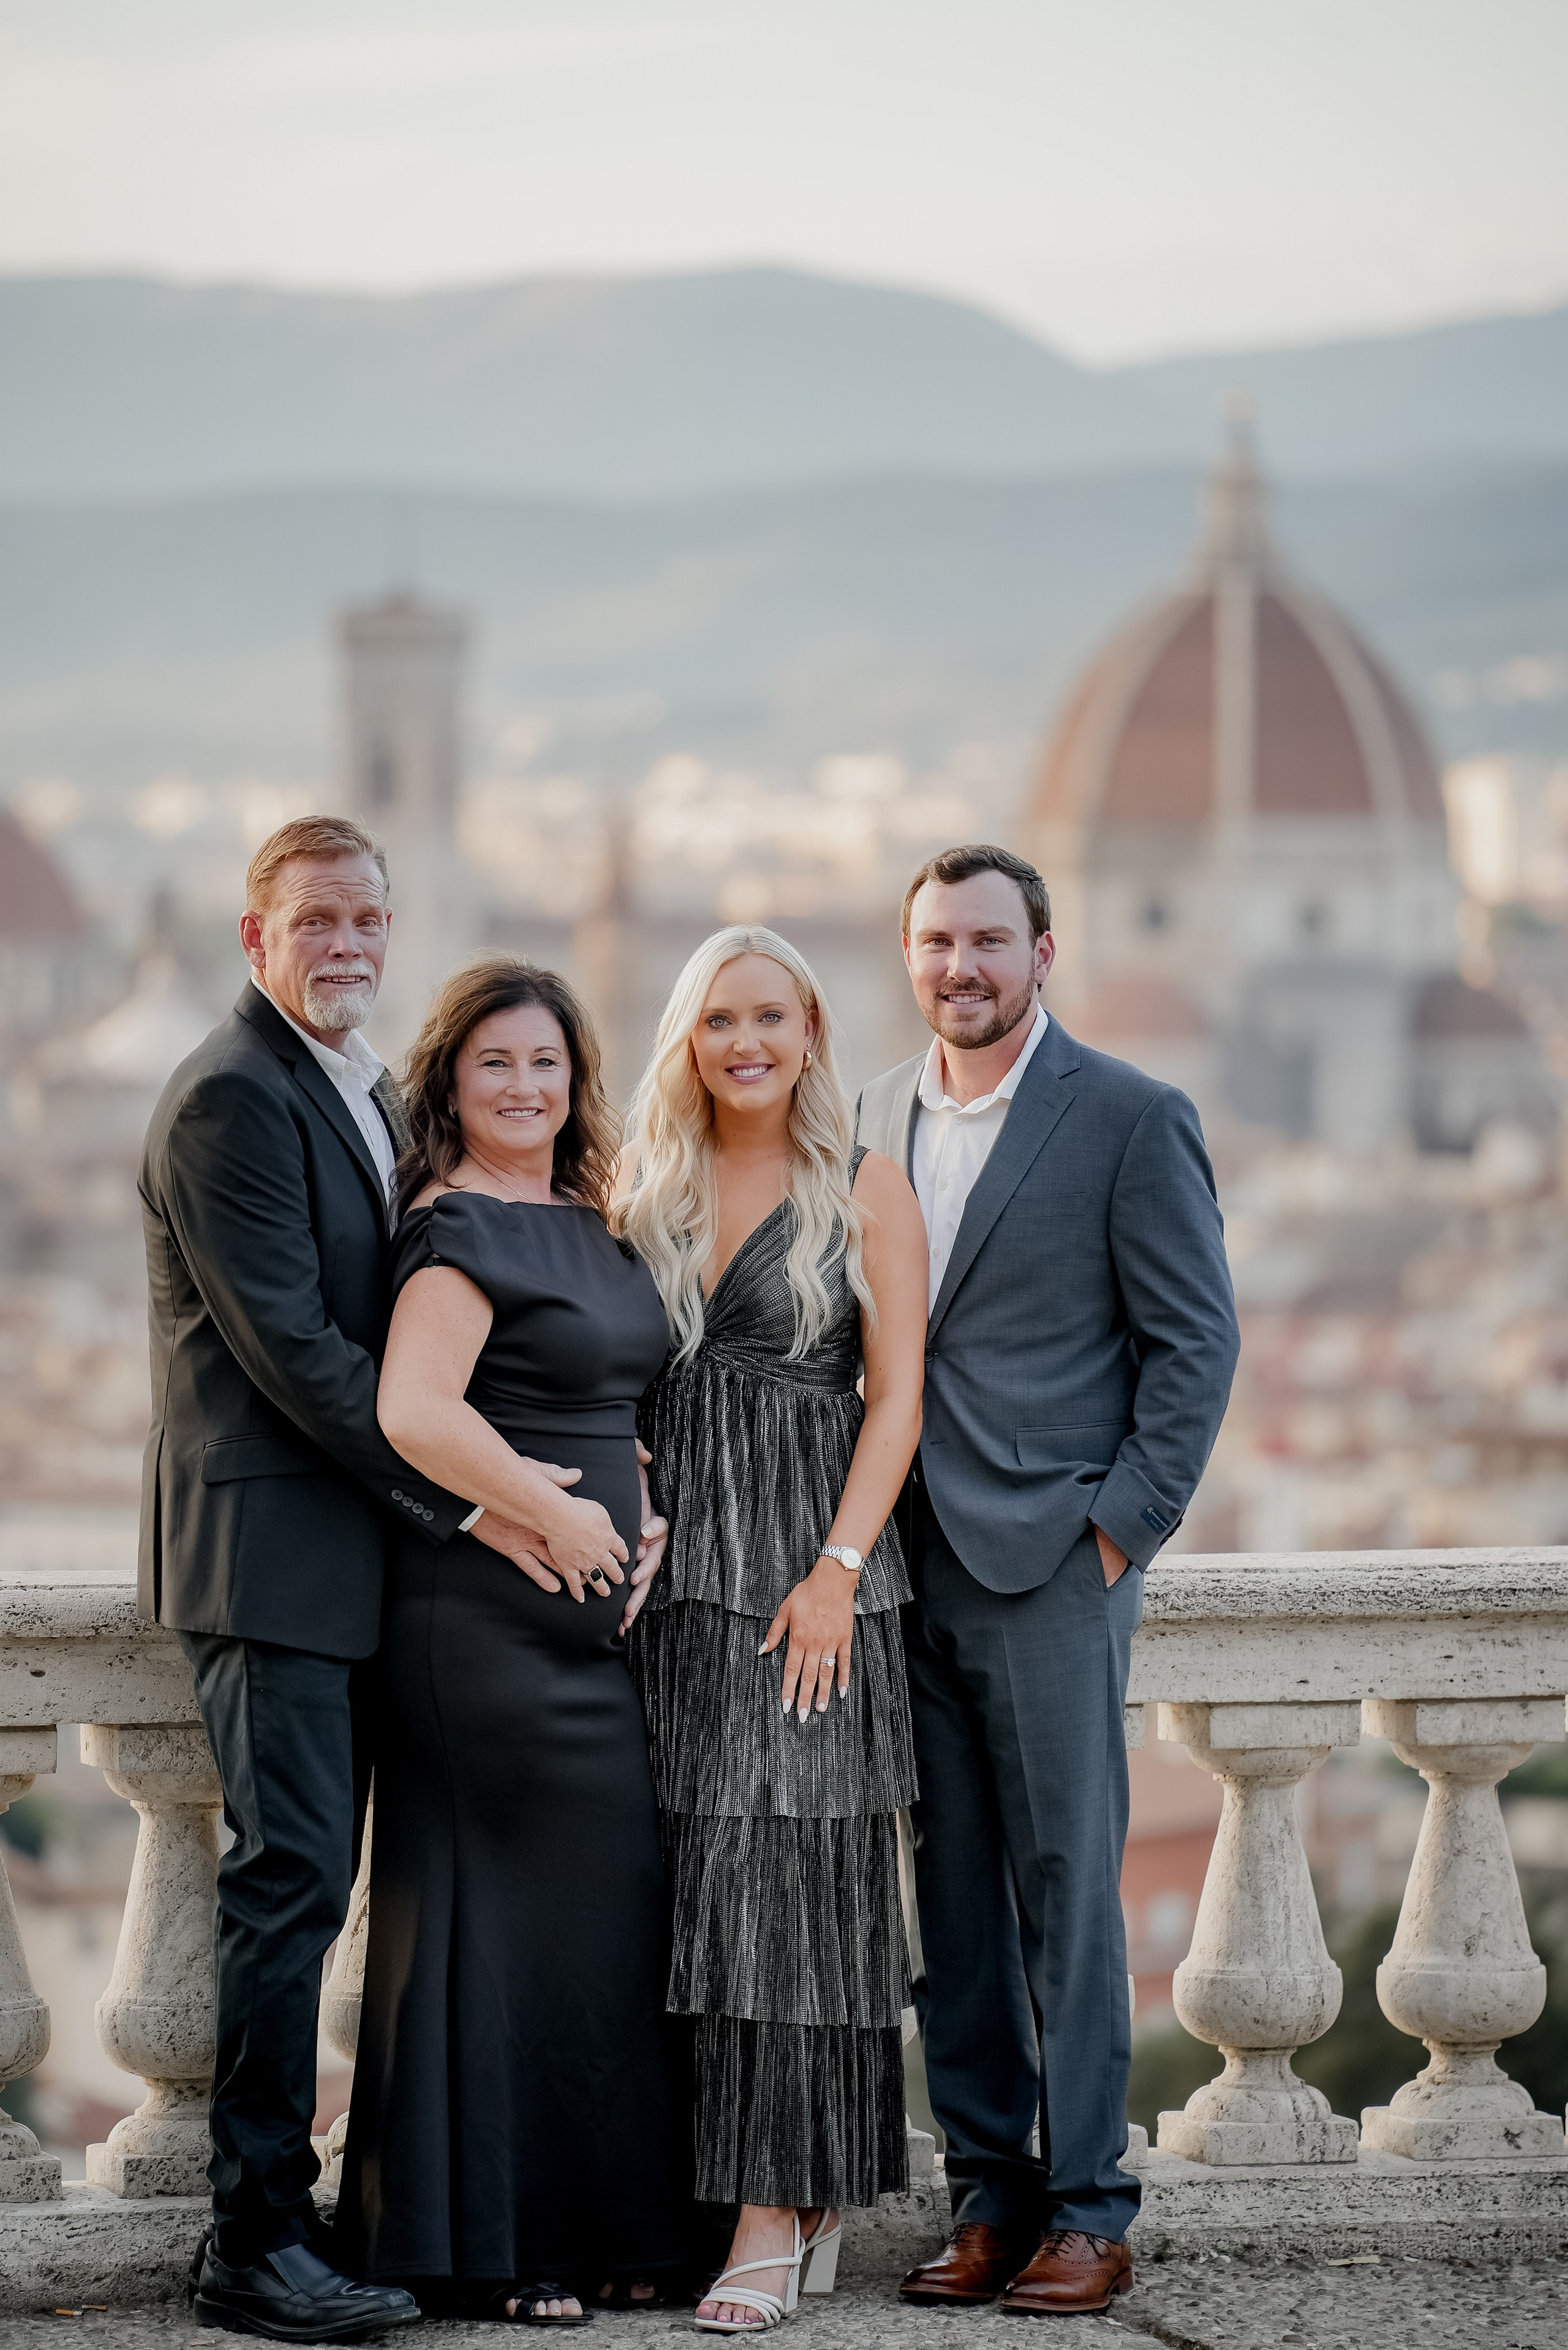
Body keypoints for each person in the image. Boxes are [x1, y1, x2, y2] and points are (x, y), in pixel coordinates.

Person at [140, 819, 589, 2344]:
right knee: (290, 1889)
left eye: (367, 916)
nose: (346, 940)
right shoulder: (224, 1097)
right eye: (315, 916)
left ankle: (322, 2212)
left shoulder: (345, 1082)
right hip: (269, 1559)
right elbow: (303, 1359)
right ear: (253, 931)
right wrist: (476, 1508)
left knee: (322, 1889)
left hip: (347, 1561)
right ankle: (250, 2241)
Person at [855, 843, 1240, 2319]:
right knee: (949, 1902)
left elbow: (1192, 1343)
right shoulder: (874, 1113)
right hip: (905, 1566)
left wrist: (1116, 1530)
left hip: (1049, 1567)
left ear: (1042, 952)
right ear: (909, 955)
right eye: (935, 940)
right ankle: (987, 2196)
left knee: (1069, 1894)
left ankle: (1089, 2206)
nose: (959, 966)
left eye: (987, 941)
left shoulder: (1130, 1117)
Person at [333, 956, 684, 2323]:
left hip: (593, 1631)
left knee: (594, 1925)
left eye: (545, 1064)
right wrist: (553, 1511)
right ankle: (493, 2242)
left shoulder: (590, 1219)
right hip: (475, 1633)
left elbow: (613, 1397)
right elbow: (414, 1408)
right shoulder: (453, 1224)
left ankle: (607, 2226)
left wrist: (639, 1511)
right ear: (452, 1081)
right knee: (497, 1931)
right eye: (496, 1064)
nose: (525, 1086)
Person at [616, 925, 928, 2335]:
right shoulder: (648, 1191)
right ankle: (770, 2200)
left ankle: (771, 2207)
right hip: (676, 1593)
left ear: (811, 1029)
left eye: (771, 1016)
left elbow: (898, 1398)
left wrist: (836, 1570)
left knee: (790, 1898)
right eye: (717, 1019)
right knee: (696, 1888)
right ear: (688, 1038)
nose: (745, 1042)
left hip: (811, 1583)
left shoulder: (865, 1186)